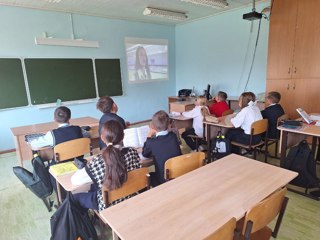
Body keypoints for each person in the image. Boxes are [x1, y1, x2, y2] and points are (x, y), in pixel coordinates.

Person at [71, 120, 141, 212]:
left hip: (108, 205)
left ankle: (87, 224)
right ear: (123, 136)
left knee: (73, 197)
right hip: (131, 195)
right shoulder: (132, 152)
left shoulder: (97, 161)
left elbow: (75, 180)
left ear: (102, 138)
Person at [142, 110, 181, 187]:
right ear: (168, 124)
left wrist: (149, 136)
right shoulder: (173, 136)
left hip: (163, 180)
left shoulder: (152, 142)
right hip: (178, 175)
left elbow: (145, 154)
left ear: (153, 126)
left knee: (147, 175)